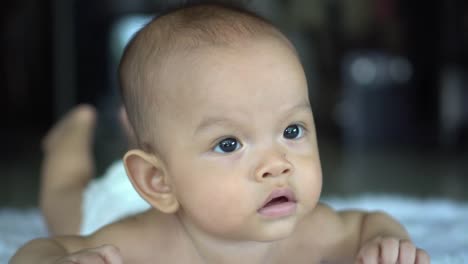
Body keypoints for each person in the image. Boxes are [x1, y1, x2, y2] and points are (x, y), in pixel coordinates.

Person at [11, 3, 430, 263]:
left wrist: (387, 243)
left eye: (291, 129)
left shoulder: (311, 232)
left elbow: (371, 223)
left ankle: (141, 127)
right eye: (229, 143)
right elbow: (36, 252)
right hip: (121, 200)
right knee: (65, 203)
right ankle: (69, 138)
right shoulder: (138, 245)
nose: (276, 164)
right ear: (158, 181)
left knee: (171, 124)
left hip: (171, 167)